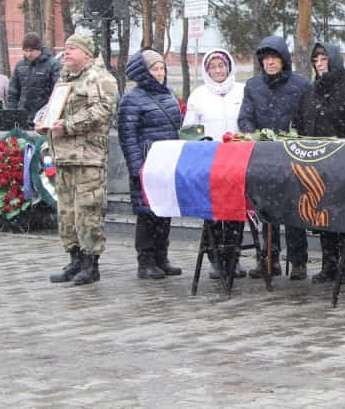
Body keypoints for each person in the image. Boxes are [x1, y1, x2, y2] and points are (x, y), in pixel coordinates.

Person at [41, 32, 119, 286]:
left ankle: (90, 264)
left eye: (72, 49)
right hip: (64, 156)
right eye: (65, 48)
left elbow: (103, 110)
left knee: (88, 211)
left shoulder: (100, 78)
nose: (66, 53)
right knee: (67, 213)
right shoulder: (65, 80)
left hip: (88, 158)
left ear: (86, 53)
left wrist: (69, 125)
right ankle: (74, 259)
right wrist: (43, 121)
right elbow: (53, 108)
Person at [292, 42, 345, 284]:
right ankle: (329, 263)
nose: (319, 64)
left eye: (323, 59)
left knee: (343, 214)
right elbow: (301, 122)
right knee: (321, 214)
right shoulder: (310, 91)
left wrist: (340, 143)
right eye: (315, 61)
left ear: (334, 59)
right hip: (317, 164)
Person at [238, 36, 310, 279]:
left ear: (283, 60)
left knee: (294, 210)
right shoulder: (253, 86)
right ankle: (269, 259)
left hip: (292, 155)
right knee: (266, 211)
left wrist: (294, 136)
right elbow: (245, 117)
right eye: (265, 59)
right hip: (264, 156)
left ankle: (298, 261)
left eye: (274, 58)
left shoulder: (300, 85)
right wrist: (253, 134)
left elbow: (306, 117)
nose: (269, 63)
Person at [118, 49, 184, 280]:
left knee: (164, 210)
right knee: (147, 214)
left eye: (162, 68)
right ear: (143, 72)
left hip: (167, 162)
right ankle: (145, 261)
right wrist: (137, 167)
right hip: (147, 163)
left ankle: (161, 257)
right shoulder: (131, 99)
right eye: (154, 69)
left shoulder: (169, 94)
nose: (160, 73)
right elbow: (127, 136)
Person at [183, 48, 247, 280]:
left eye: (222, 66)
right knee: (212, 214)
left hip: (236, 161)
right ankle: (215, 259)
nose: (218, 71)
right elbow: (190, 130)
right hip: (209, 162)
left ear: (229, 67)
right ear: (206, 70)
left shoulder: (242, 91)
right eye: (213, 67)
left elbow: (248, 123)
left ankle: (233, 258)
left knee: (234, 214)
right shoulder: (198, 96)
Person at [7, 32, 61, 120]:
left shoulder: (53, 65)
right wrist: (12, 114)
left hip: (43, 116)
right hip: (22, 116)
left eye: (32, 51)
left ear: (39, 49)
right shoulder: (20, 66)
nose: (29, 54)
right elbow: (13, 92)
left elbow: (57, 92)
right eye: (26, 51)